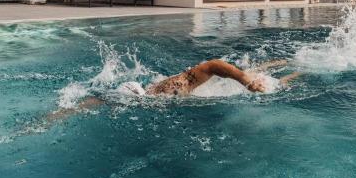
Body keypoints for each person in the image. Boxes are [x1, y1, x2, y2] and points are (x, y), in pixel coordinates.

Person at [42, 58, 299, 124]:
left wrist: (245, 81)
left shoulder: (169, 89)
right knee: (256, 73)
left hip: (221, 81)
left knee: (275, 83)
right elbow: (96, 100)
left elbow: (212, 65)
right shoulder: (144, 96)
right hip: (209, 88)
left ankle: (301, 69)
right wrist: (59, 114)